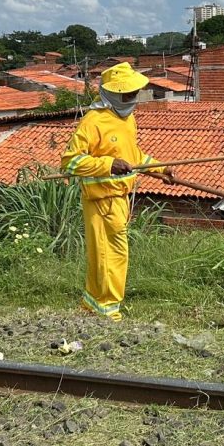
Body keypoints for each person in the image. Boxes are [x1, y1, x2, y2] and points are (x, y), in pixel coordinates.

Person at [61, 62, 172, 321]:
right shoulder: (93, 122)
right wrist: (108, 165)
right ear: (111, 94)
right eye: (127, 94)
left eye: (134, 93)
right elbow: (70, 161)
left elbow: (133, 158)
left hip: (119, 199)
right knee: (108, 254)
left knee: (109, 254)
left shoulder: (127, 119)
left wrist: (161, 170)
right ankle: (108, 309)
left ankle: (92, 304)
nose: (132, 98)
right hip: (100, 199)